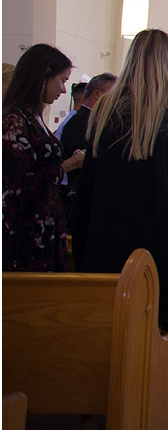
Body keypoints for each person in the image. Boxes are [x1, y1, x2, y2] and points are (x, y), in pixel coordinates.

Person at [74, 29, 168, 329]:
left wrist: (82, 246)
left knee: (107, 333)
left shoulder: (105, 109)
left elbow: (86, 187)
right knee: (154, 334)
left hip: (105, 241)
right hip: (158, 242)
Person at [3, 43, 82, 271]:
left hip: (44, 228)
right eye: (63, 80)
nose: (65, 90)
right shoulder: (14, 123)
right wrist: (68, 165)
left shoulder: (32, 119)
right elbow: (19, 186)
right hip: (24, 237)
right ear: (43, 76)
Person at [58, 72, 117, 217]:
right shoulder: (83, 122)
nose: (118, 102)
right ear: (97, 94)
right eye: (115, 96)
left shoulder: (92, 121)